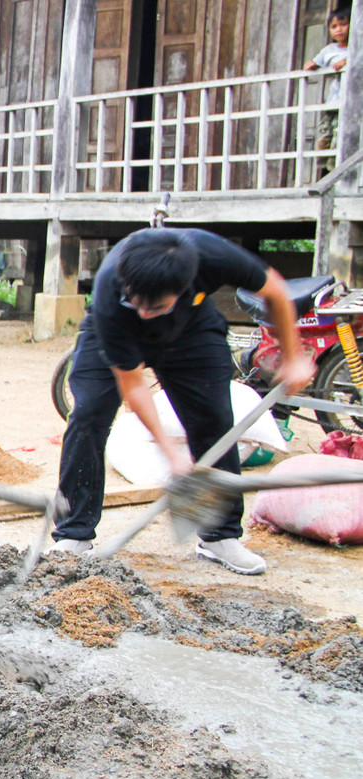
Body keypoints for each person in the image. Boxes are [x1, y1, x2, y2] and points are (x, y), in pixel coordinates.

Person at [48, 228, 314, 575]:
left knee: (214, 420)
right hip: (112, 331)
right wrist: (174, 457)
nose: (145, 313)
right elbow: (134, 386)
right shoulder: (115, 294)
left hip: (192, 330)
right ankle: (74, 534)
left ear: (187, 285)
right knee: (88, 416)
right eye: (138, 303)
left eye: (155, 306)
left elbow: (276, 291)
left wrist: (292, 357)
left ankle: (220, 535)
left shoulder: (214, 256)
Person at [305, 8, 351, 156]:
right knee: (326, 130)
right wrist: (311, 64)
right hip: (332, 99)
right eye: (334, 26)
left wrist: (346, 62)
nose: (338, 30)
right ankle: (324, 161)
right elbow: (316, 62)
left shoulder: (356, 48)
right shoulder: (329, 50)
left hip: (350, 99)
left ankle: (335, 164)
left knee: (341, 131)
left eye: (343, 24)